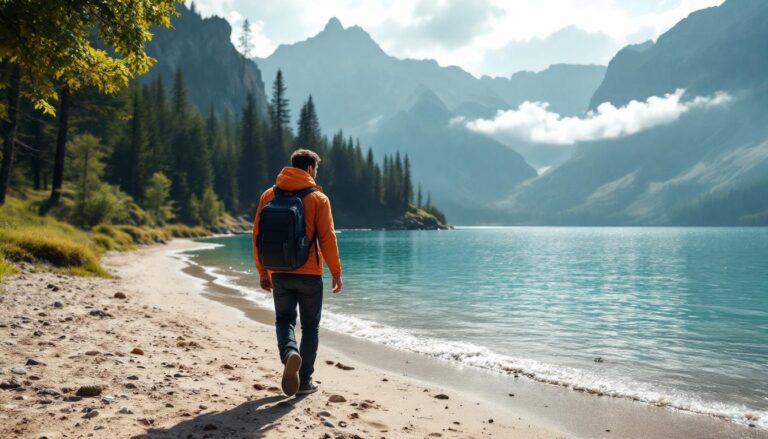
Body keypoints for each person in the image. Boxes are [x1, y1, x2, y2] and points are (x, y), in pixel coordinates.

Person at [251, 149, 343, 396]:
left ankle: (290, 353)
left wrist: (262, 271)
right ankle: (304, 380)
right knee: (310, 326)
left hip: (279, 271)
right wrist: (335, 271)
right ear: (311, 169)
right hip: (310, 274)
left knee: (284, 320)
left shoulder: (269, 195)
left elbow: (257, 236)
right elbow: (327, 238)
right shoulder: (318, 199)